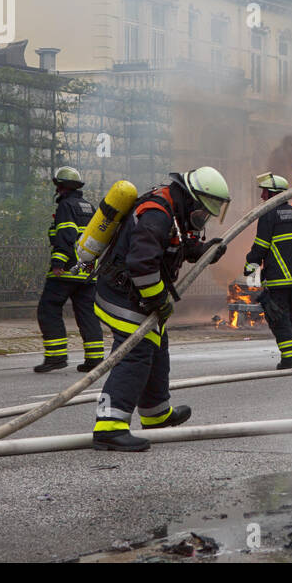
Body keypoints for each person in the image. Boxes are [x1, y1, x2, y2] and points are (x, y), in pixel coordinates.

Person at [91, 167, 230, 451]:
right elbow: (141, 263)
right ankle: (109, 426)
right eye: (202, 212)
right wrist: (158, 299)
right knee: (137, 352)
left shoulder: (175, 213)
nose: (203, 219)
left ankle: (156, 415)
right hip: (121, 294)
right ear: (191, 198)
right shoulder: (157, 213)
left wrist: (204, 251)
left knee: (157, 345)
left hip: (138, 295)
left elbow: (179, 246)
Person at [243, 173, 292, 369]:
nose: (261, 196)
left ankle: (289, 359)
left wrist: (250, 264)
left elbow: (260, 247)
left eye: (263, 192)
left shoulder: (268, 217)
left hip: (277, 281)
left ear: (271, 193)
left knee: (279, 319)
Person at [33, 167, 104, 373]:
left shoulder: (66, 206)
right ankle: (95, 359)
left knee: (48, 309)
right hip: (87, 271)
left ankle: (56, 357)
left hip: (67, 271)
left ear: (61, 186)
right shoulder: (89, 207)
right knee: (87, 314)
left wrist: (58, 263)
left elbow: (66, 235)